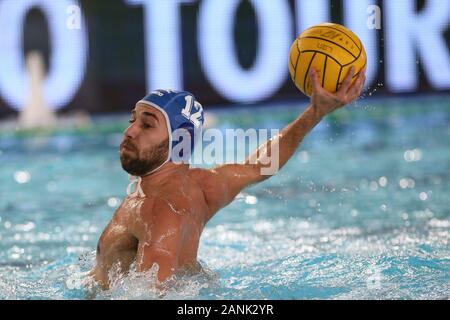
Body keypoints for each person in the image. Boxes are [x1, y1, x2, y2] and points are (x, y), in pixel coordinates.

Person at [91, 66, 366, 289]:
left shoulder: (160, 211)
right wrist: (315, 112)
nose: (130, 132)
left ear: (181, 141)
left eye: (147, 124)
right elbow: (260, 165)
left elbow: (152, 296)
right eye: (133, 120)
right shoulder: (202, 186)